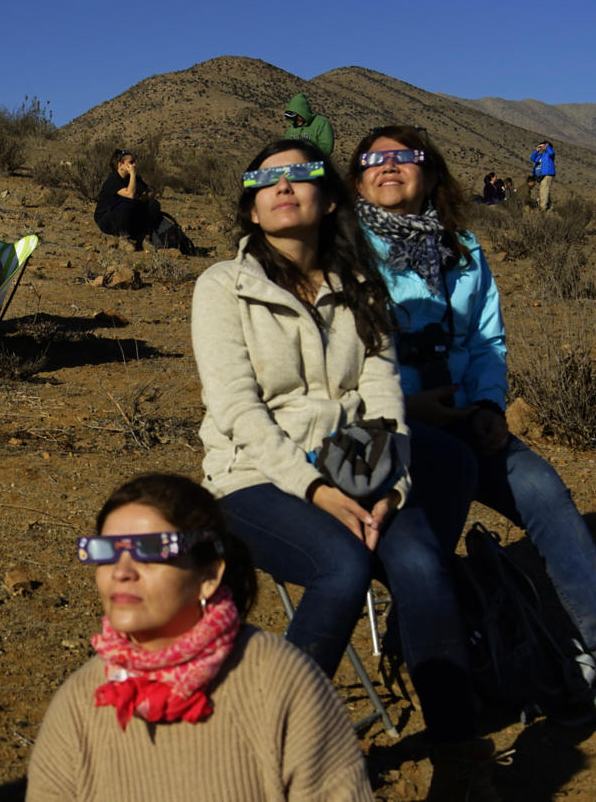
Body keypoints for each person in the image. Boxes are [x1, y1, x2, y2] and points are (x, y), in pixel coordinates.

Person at [195, 139, 498, 798]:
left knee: (420, 564)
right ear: (250, 208)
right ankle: (264, 757)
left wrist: (394, 483)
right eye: (264, 178)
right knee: (342, 568)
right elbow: (238, 410)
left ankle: (459, 760)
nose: (282, 185)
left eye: (299, 174)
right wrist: (313, 488)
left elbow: (386, 393)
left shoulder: (360, 287)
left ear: (328, 199)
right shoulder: (223, 287)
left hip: (362, 468)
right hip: (254, 477)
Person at [348, 124, 596, 726]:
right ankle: (439, 664)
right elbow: (331, 366)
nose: (388, 165)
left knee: (542, 490)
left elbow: (487, 339)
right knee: (427, 519)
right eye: (372, 158)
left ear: (431, 175)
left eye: (405, 156)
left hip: (464, 417)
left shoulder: (463, 248)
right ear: (356, 178)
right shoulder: (338, 251)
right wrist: (409, 409)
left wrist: (488, 406)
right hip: (374, 429)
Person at [26, 473, 373, 801]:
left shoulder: (281, 682)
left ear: (208, 574)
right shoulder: (80, 702)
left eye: (150, 550)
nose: (121, 572)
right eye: (106, 551)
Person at [93, 149, 160, 250]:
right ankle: (123, 239)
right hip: (107, 219)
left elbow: (151, 193)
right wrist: (132, 174)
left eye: (134, 162)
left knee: (153, 204)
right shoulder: (113, 179)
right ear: (120, 165)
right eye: (131, 163)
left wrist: (142, 198)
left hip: (125, 217)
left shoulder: (133, 179)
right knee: (126, 202)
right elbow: (130, 194)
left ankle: (143, 237)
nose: (134, 165)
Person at [530, 140, 556, 210]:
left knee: (544, 191)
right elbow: (532, 159)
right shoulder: (541, 155)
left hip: (547, 174)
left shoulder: (549, 154)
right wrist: (536, 151)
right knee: (543, 191)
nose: (541, 147)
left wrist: (547, 146)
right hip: (540, 176)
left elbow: (551, 153)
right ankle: (548, 206)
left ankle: (543, 208)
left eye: (542, 146)